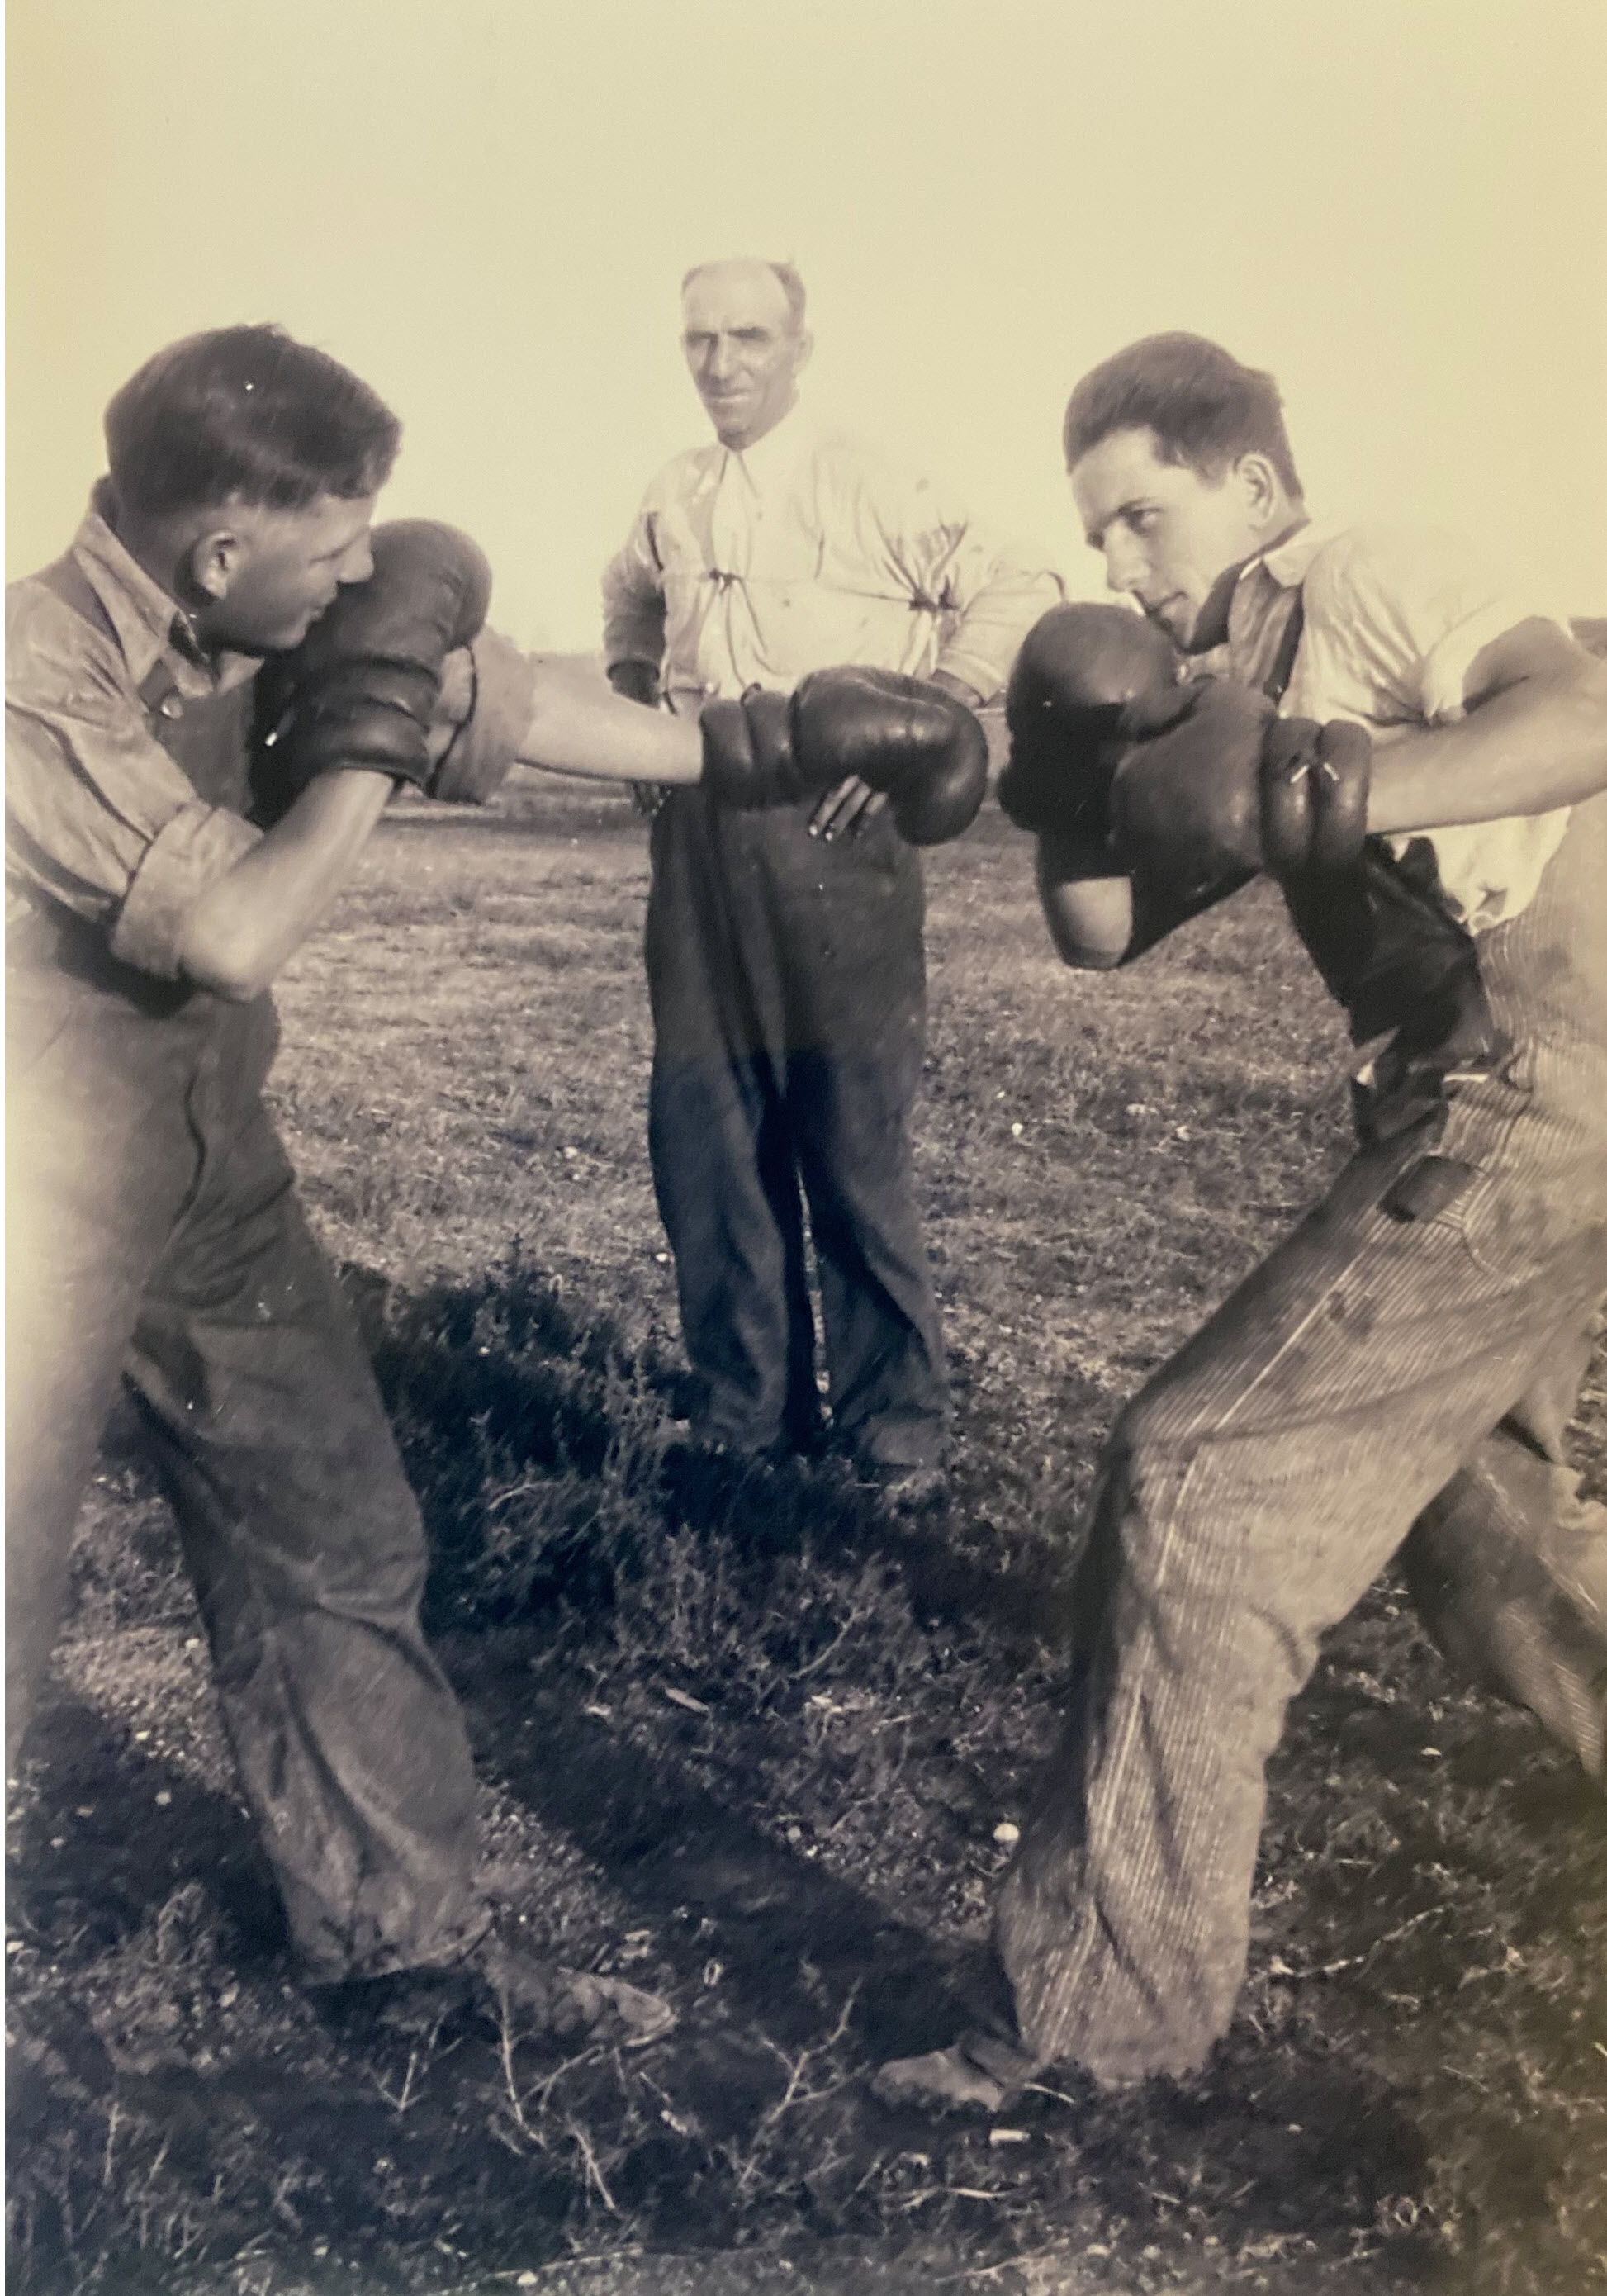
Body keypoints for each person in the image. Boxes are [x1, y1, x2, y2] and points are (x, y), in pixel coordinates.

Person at [6, 324, 988, 2044]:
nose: (361, 580)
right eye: (331, 554)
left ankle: (406, 1953)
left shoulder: (281, 613)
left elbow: (517, 701)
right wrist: (365, 750)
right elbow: (236, 926)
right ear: (219, 550)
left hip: (200, 1167)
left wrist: (780, 735)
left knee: (338, 1538)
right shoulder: (33, 677)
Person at [875, 331, 1607, 2109]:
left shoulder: (1362, 571)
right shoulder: (1209, 684)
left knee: (1198, 1480)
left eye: (1146, 516)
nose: (1123, 564)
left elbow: (1581, 710)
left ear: (1258, 489)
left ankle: (1090, 2034)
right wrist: (1061, 768)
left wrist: (1334, 784)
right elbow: (1102, 935)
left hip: (1540, 1068)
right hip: (1487, 1080)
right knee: (1474, 1520)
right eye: (1096, 536)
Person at [602, 258, 1062, 1499]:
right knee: (709, 1129)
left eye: (748, 337)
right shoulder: (674, 492)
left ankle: (893, 1431)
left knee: (849, 1134)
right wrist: (638, 698)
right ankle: (745, 1416)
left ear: (800, 347)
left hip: (834, 833)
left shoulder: (873, 480)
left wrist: (932, 719)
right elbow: (627, 605)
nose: (722, 364)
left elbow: (1022, 586)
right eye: (699, 339)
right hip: (700, 830)